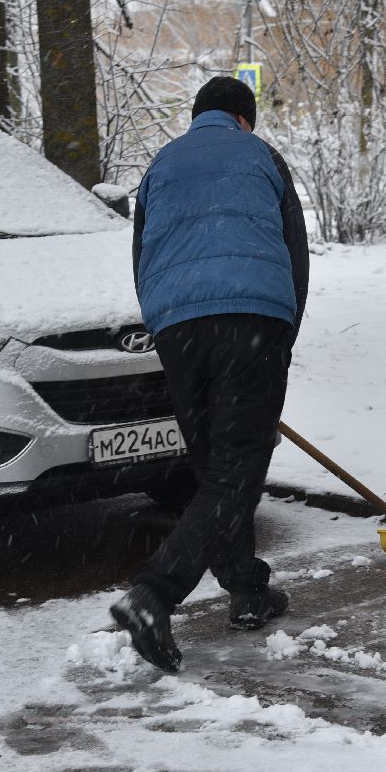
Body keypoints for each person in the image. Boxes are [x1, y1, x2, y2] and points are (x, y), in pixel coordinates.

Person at [109, 76, 308, 673]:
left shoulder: (161, 165)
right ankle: (154, 594)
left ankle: (246, 589)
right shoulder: (261, 156)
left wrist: (168, 327)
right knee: (236, 473)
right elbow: (294, 255)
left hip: (178, 328)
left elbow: (142, 256)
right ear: (245, 119)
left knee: (218, 471)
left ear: (197, 117)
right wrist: (278, 340)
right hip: (253, 319)